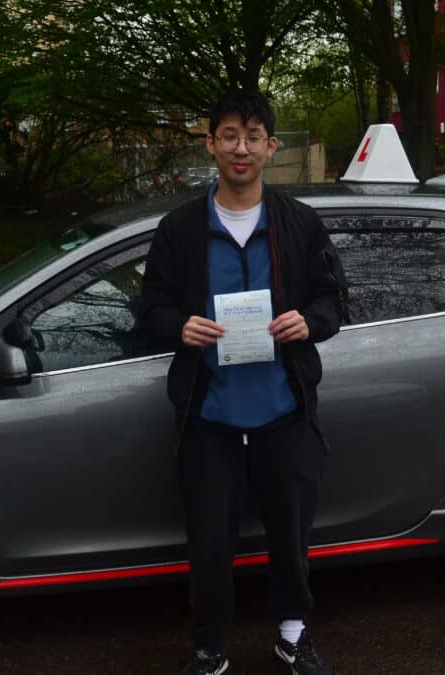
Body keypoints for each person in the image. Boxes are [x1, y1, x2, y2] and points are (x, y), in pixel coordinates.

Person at [142, 89, 345, 675]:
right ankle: (209, 649)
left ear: (271, 147)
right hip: (209, 419)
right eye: (229, 135)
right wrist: (178, 326)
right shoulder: (180, 229)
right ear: (210, 143)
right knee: (208, 544)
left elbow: (334, 299)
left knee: (291, 537)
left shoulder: (299, 223)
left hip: (285, 412)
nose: (241, 147)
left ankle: (292, 634)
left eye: (253, 137)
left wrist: (311, 321)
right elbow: (150, 308)